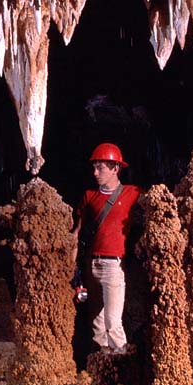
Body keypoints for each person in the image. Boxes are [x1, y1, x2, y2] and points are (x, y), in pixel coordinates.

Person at [71, 143, 142, 354]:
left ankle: (121, 369)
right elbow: (77, 232)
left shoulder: (133, 193)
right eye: (94, 167)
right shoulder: (89, 196)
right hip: (92, 263)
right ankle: (101, 370)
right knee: (98, 324)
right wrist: (72, 268)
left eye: (100, 168)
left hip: (113, 265)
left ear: (115, 168)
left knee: (113, 321)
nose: (95, 173)